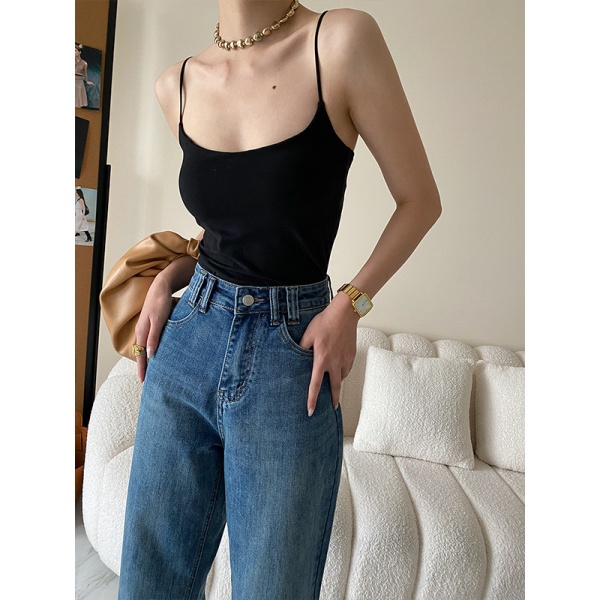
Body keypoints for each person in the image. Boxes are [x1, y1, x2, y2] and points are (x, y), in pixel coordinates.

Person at [118, 2, 441, 599]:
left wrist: (351, 304)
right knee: (149, 582)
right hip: (187, 342)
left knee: (275, 586)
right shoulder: (176, 85)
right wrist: (168, 277)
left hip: (290, 358)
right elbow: (231, 232)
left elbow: (420, 200)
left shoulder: (339, 42)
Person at [75, 43, 93, 108]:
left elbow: (85, 73)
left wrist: (87, 81)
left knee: (78, 100)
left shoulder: (84, 63)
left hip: (79, 81)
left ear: (79, 52)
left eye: (75, 51)